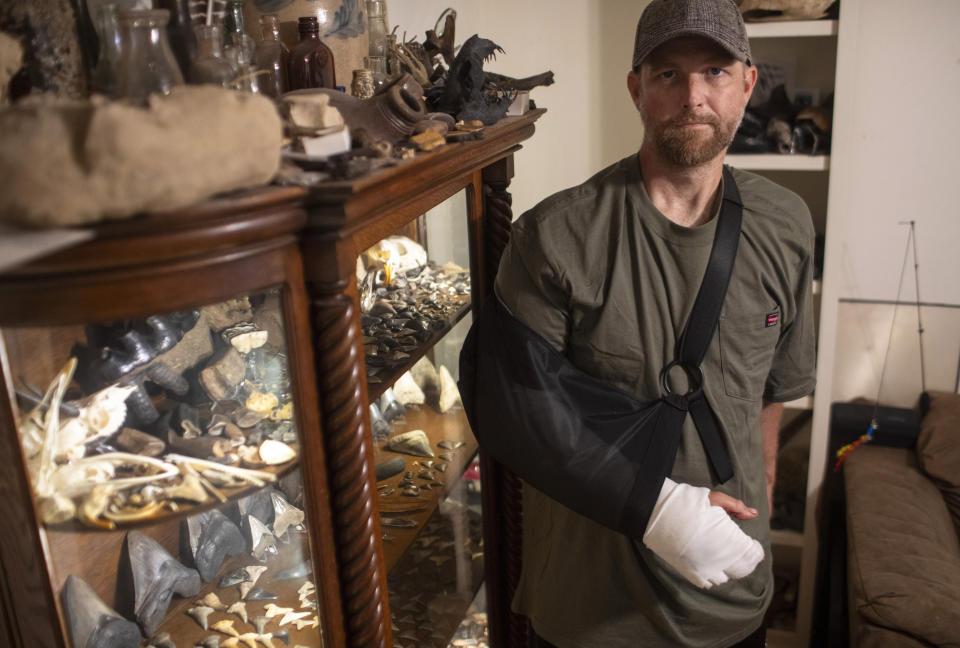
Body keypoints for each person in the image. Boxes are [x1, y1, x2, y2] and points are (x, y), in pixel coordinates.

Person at [490, 0, 817, 646]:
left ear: (748, 85)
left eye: (715, 73)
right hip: (592, 609)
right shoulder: (554, 238)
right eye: (668, 74)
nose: (693, 96)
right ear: (636, 88)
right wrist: (660, 509)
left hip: (726, 598)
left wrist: (764, 468)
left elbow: (776, 381)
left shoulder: (786, 225)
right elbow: (520, 415)